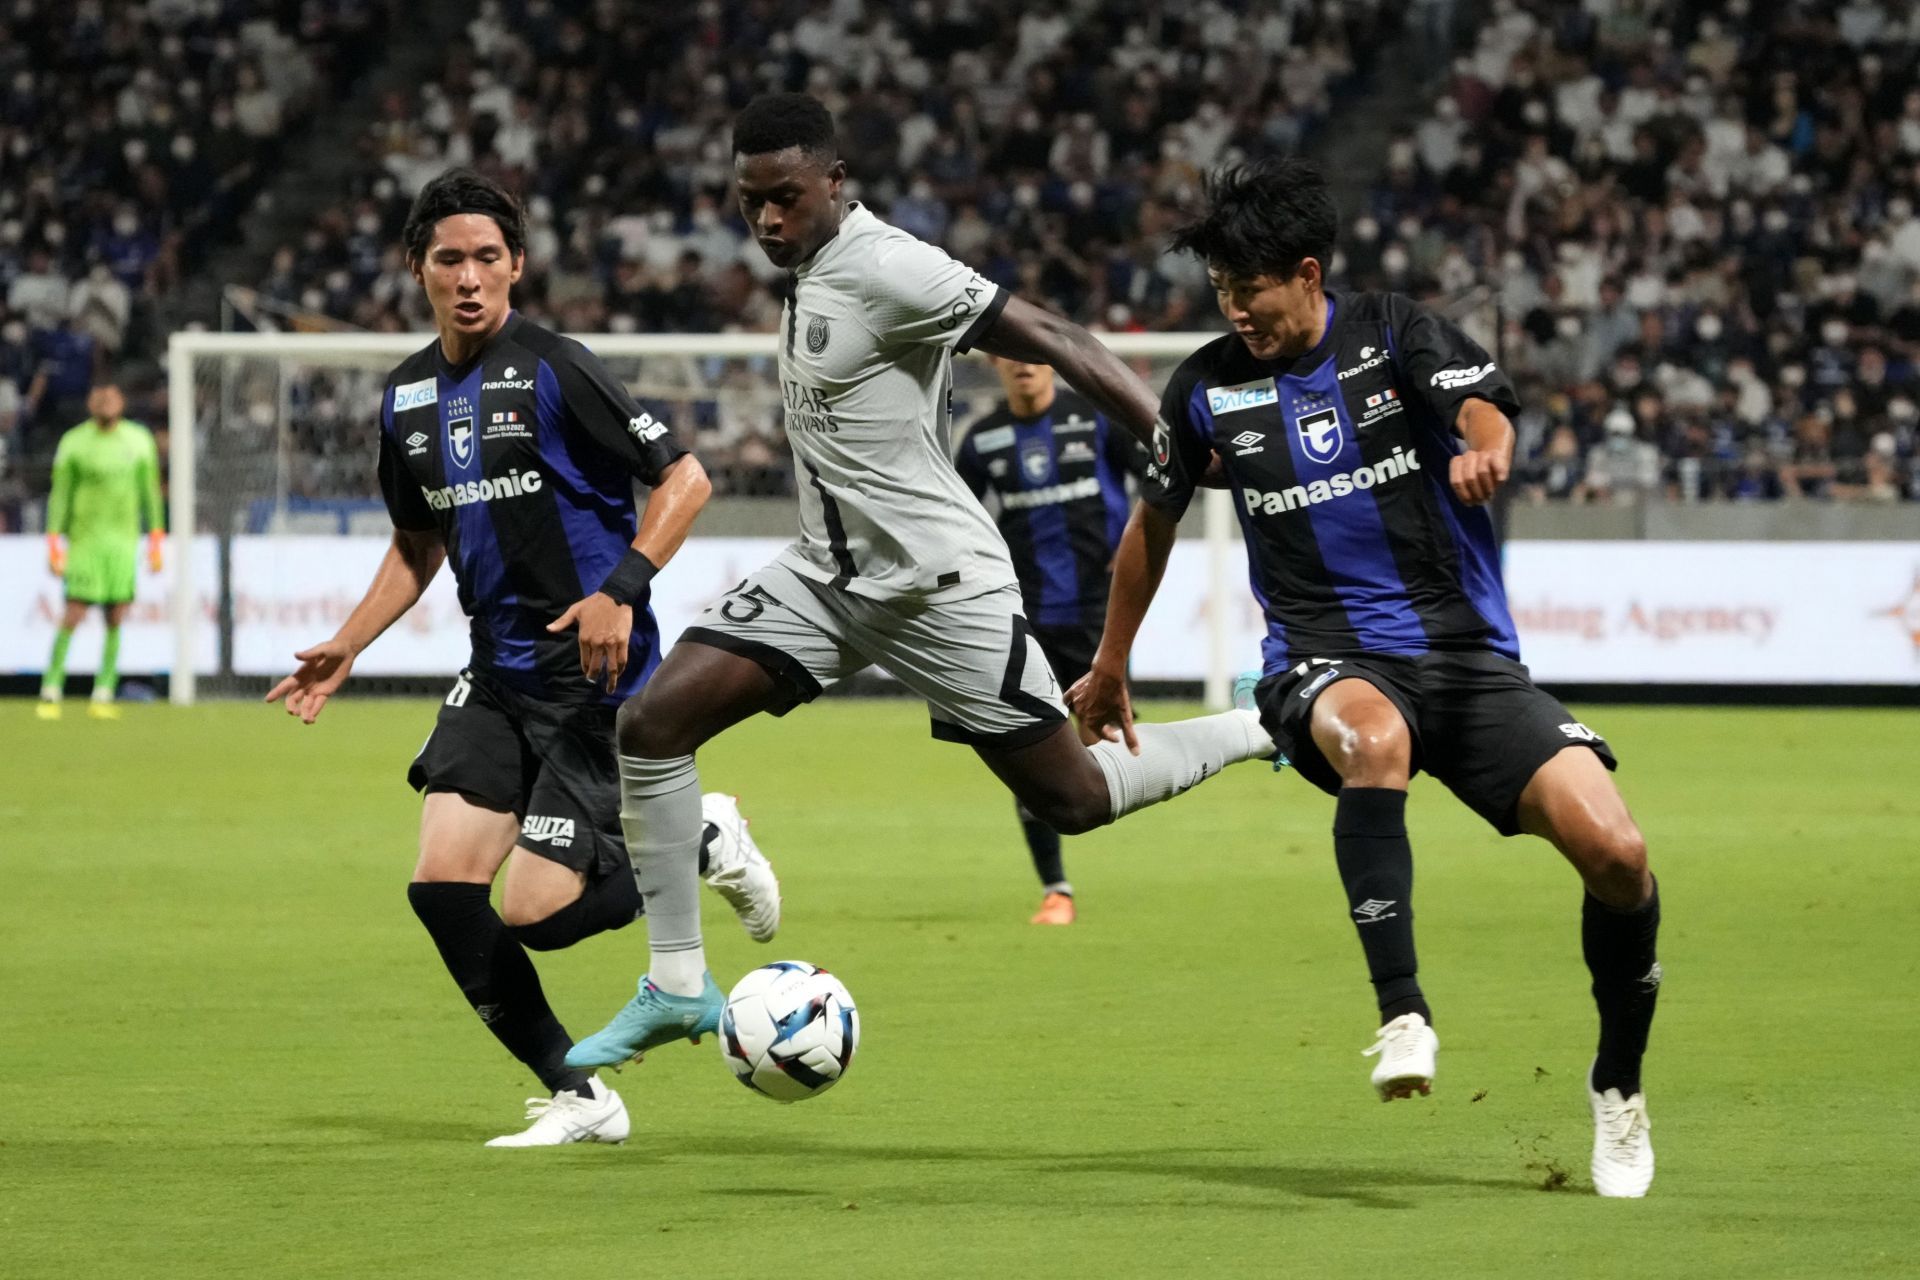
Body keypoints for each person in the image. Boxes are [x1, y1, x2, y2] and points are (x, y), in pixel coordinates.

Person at [563, 93, 1276, 1071]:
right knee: (650, 726)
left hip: (938, 587)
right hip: (824, 576)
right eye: (750, 200)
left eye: (787, 197)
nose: (768, 219)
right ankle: (678, 984)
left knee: (1071, 796)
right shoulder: (811, 268)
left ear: (835, 185)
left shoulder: (890, 263)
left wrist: (1173, 437)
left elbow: (1060, 335)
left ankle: (1256, 723)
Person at [1072, 158, 1661, 1198]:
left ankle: (1617, 1083)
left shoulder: (1395, 332)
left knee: (1618, 851)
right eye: (1218, 289)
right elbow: (1150, 527)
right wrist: (1111, 660)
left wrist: (1489, 450)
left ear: (1305, 273)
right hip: (1321, 657)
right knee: (1374, 743)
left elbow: (1484, 412)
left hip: (1468, 661)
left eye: (1247, 287)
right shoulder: (1206, 384)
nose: (1232, 308)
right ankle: (1403, 1013)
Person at [265, 169, 781, 1148]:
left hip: (596, 678)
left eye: (488, 258)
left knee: (536, 911)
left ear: (518, 267)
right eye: (449, 258)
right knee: (440, 887)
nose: (469, 277)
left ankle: (698, 834)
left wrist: (620, 587)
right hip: (496, 675)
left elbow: (686, 476)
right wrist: (344, 642)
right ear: (417, 267)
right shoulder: (406, 394)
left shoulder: (557, 367)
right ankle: (582, 1093)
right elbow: (416, 547)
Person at [954, 355, 1152, 924]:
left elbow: (1156, 482)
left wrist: (1138, 542)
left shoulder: (1093, 420)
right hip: (1025, 617)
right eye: (1008, 357)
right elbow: (958, 518)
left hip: (1100, 616)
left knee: (1103, 748)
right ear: (994, 364)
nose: (1022, 367)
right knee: (1031, 751)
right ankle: (1056, 888)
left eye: (1032, 357)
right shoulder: (983, 439)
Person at [39, 382, 163, 720]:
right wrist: (53, 541)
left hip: (123, 542)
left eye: (112, 395)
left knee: (116, 617)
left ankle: (104, 690)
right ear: (90, 402)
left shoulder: (139, 441)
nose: (105, 401)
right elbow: (60, 494)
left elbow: (150, 492)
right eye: (99, 395)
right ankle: (51, 688)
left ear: (121, 401)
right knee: (74, 613)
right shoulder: (74, 442)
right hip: (85, 540)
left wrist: (155, 539)